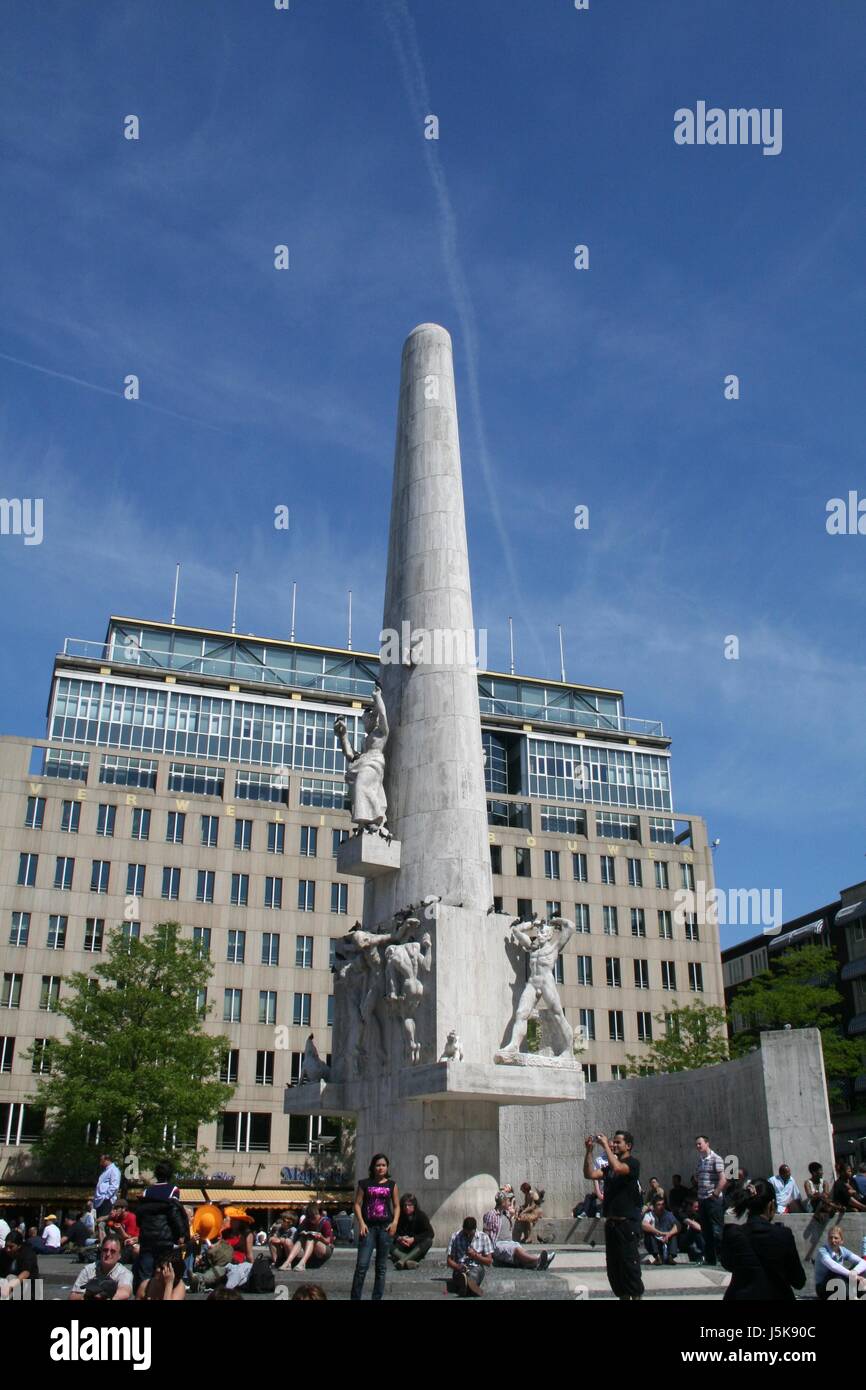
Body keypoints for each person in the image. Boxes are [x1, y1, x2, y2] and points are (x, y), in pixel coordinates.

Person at [719, 1179, 806, 1301]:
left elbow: (727, 1264)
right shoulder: (783, 1235)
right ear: (771, 1205)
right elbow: (798, 1281)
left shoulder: (732, 1233)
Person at [585, 1131, 644, 1300]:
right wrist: (588, 1152)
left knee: (629, 1266)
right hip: (611, 1223)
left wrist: (605, 1146)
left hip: (626, 1224)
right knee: (615, 1267)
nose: (614, 1145)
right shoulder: (609, 1167)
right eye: (613, 1142)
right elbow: (589, 1174)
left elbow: (619, 1168)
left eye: (618, 1142)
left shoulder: (633, 1163)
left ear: (628, 1146)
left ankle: (636, 1297)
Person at [133, 1160, 189, 1290]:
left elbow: (140, 1215)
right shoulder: (173, 1190)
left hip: (147, 1238)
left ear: (156, 1174)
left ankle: (144, 1294)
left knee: (146, 1273)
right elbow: (174, 1213)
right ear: (170, 1175)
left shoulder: (147, 1191)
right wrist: (181, 1233)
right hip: (164, 1237)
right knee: (164, 1272)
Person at [350, 1153, 399, 1301]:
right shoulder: (364, 1183)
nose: (381, 1168)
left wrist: (395, 1222)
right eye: (378, 1165)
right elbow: (357, 1205)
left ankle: (376, 1297)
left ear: (387, 1167)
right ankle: (355, 1297)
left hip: (385, 1227)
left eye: (383, 1165)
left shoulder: (392, 1185)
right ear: (373, 1167)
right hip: (368, 1228)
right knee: (362, 1266)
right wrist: (361, 1223)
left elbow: (397, 1206)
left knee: (381, 1267)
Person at [483, 1190, 555, 1271]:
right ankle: (539, 1259)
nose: (510, 1203)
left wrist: (512, 1214)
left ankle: (539, 1264)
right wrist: (488, 1253)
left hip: (509, 1243)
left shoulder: (506, 1213)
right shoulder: (491, 1215)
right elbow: (486, 1234)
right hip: (497, 1245)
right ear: (503, 1202)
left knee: (520, 1251)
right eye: (508, 1200)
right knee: (516, 1250)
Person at [695, 1135, 727, 1267]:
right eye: (696, 1144)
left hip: (712, 1200)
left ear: (707, 1143)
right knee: (706, 1230)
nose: (698, 1146)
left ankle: (722, 1257)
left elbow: (723, 1179)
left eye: (700, 1143)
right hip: (702, 1199)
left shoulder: (716, 1159)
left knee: (717, 1230)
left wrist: (715, 1194)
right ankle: (710, 1258)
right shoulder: (701, 1161)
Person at [70, 1235, 134, 1301]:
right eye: (105, 1250)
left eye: (113, 1251)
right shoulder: (88, 1269)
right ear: (101, 1251)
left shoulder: (125, 1273)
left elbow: (125, 1292)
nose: (108, 1254)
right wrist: (88, 1294)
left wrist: (106, 1296)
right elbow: (73, 1296)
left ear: (119, 1255)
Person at [279, 1202, 334, 1273]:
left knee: (310, 1239)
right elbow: (299, 1231)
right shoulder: (306, 1221)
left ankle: (302, 1263)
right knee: (303, 1238)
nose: (314, 1220)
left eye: (315, 1217)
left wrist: (321, 1237)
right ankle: (287, 1263)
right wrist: (302, 1232)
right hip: (311, 1246)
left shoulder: (325, 1222)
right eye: (311, 1218)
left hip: (325, 1249)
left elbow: (328, 1241)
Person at [446, 1216, 494, 1297]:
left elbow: (489, 1261)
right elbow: (449, 1261)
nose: (468, 1236)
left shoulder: (484, 1237)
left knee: (473, 1274)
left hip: (476, 1267)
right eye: (465, 1233)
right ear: (463, 1229)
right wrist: (457, 1266)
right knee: (461, 1274)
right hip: (460, 1268)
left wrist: (475, 1256)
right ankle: (470, 1288)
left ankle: (466, 1285)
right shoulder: (455, 1237)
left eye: (470, 1234)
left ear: (475, 1229)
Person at [815, 1226, 866, 1300]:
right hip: (823, 1288)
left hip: (838, 1284)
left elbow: (863, 1262)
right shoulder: (822, 1251)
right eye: (830, 1237)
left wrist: (855, 1272)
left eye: (836, 1238)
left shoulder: (843, 1250)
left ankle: (861, 1294)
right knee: (836, 1275)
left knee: (861, 1270)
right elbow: (833, 1266)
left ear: (841, 1240)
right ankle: (852, 1296)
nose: (833, 1240)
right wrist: (852, 1275)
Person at [390, 1193, 434, 1269]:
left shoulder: (421, 1215)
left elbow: (430, 1233)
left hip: (416, 1247)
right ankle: (408, 1261)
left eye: (410, 1205)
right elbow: (391, 1232)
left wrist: (413, 1239)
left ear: (414, 1205)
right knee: (385, 1241)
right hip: (402, 1245)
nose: (407, 1207)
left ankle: (402, 1260)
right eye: (405, 1205)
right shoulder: (398, 1216)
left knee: (428, 1241)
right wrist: (400, 1238)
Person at [0, 1229, 39, 1298]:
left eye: (11, 1247)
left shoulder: (28, 1253)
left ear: (19, 1246)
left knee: (11, 1277)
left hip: (28, 1288)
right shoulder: (3, 1253)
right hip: (10, 1285)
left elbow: (26, 1273)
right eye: (6, 1246)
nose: (8, 1249)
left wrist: (9, 1286)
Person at [642, 1198, 679, 1264]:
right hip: (655, 1242)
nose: (661, 1206)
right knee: (649, 1234)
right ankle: (657, 1257)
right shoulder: (649, 1214)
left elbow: (677, 1226)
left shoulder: (668, 1214)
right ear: (654, 1206)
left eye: (663, 1204)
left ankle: (671, 1257)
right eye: (658, 1205)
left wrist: (669, 1234)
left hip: (666, 1240)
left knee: (674, 1235)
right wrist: (659, 1232)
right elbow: (644, 1225)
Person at [94, 1154, 121, 1236]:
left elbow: (114, 1185)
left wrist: (106, 1197)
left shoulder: (114, 1170)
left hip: (106, 1201)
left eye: (101, 1160)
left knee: (102, 1224)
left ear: (106, 1160)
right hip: (100, 1200)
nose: (100, 1162)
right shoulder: (106, 1171)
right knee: (99, 1224)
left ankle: (105, 1241)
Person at [676, 1199, 706, 1264]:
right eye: (695, 1207)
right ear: (689, 1207)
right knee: (694, 1229)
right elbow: (693, 1225)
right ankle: (704, 1253)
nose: (697, 1209)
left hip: (692, 1241)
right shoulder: (681, 1214)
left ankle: (704, 1253)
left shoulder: (696, 1215)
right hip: (682, 1242)